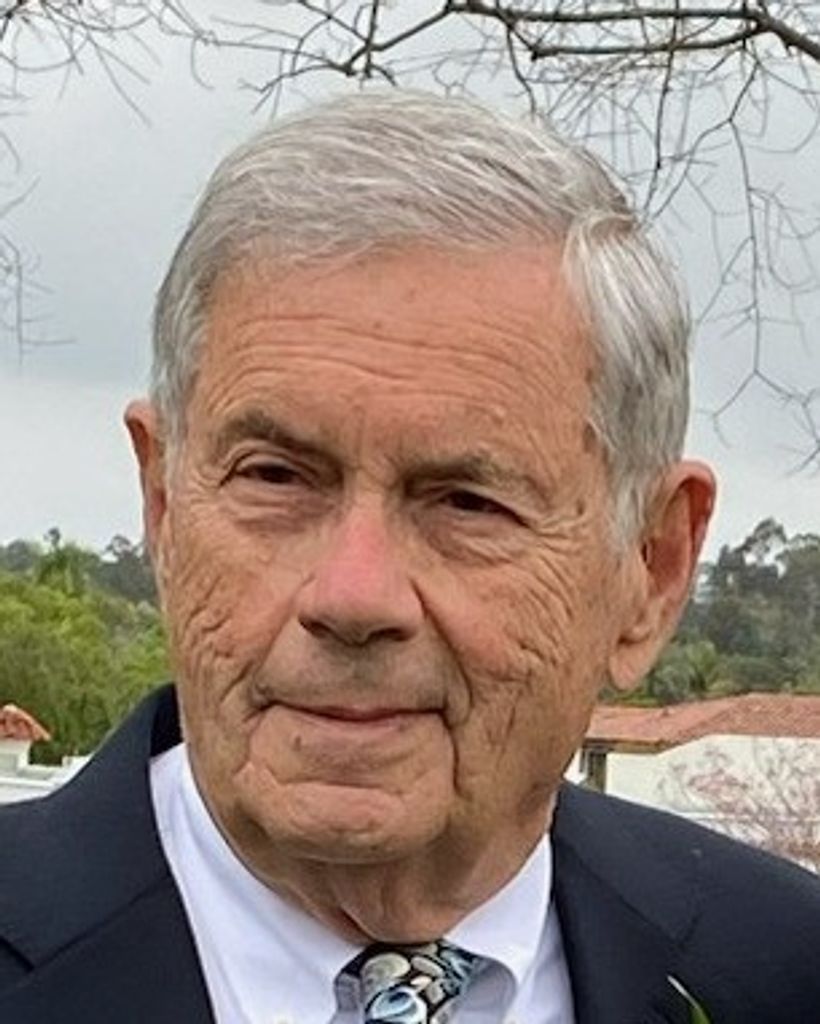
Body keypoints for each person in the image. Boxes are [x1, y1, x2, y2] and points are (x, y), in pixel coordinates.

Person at [0, 91, 817, 1024]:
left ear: (652, 568)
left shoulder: (784, 971)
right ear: (163, 505)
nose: (354, 596)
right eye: (276, 478)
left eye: (466, 502)